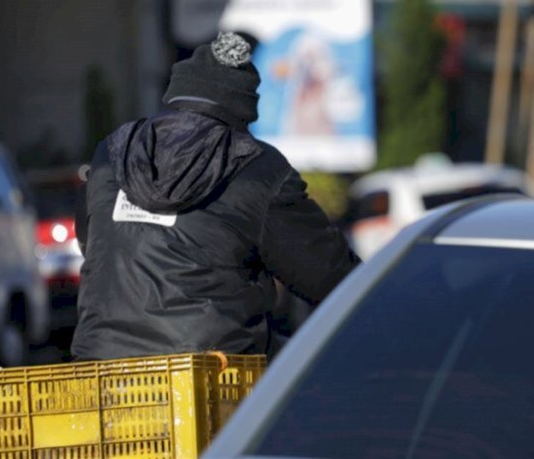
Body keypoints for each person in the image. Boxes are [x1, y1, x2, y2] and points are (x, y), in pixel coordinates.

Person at [71, 32, 360, 361]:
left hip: (100, 373)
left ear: (177, 93)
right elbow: (328, 275)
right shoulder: (255, 170)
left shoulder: (112, 153)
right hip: (214, 379)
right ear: (245, 110)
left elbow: (90, 242)